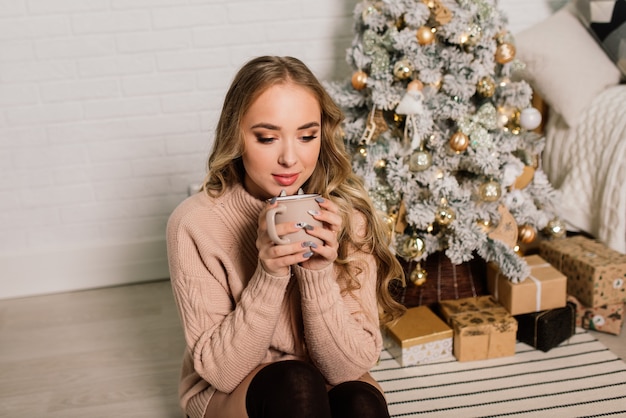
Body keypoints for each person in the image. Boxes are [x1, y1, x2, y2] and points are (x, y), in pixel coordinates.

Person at [166, 55, 406, 418]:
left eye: (307, 136)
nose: (290, 158)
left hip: (327, 367)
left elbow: (347, 369)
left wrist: (317, 274)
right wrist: (269, 275)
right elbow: (221, 371)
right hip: (237, 387)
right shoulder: (195, 224)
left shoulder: (346, 217)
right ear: (237, 136)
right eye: (267, 137)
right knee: (295, 384)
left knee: (361, 403)